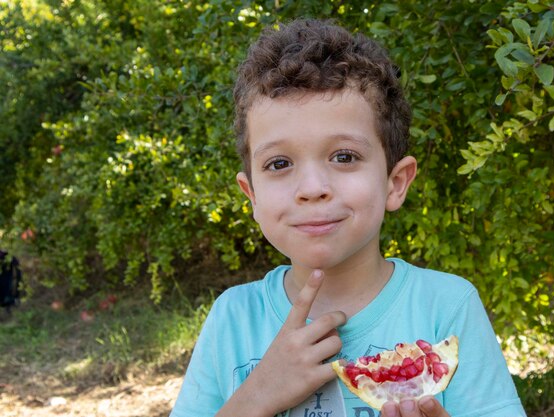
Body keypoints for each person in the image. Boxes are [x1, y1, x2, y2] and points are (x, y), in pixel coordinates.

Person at [170, 19, 526, 417]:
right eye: (279, 162)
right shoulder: (231, 319)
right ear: (251, 195)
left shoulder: (448, 307)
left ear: (395, 183)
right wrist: (255, 397)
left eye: (344, 157)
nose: (312, 187)